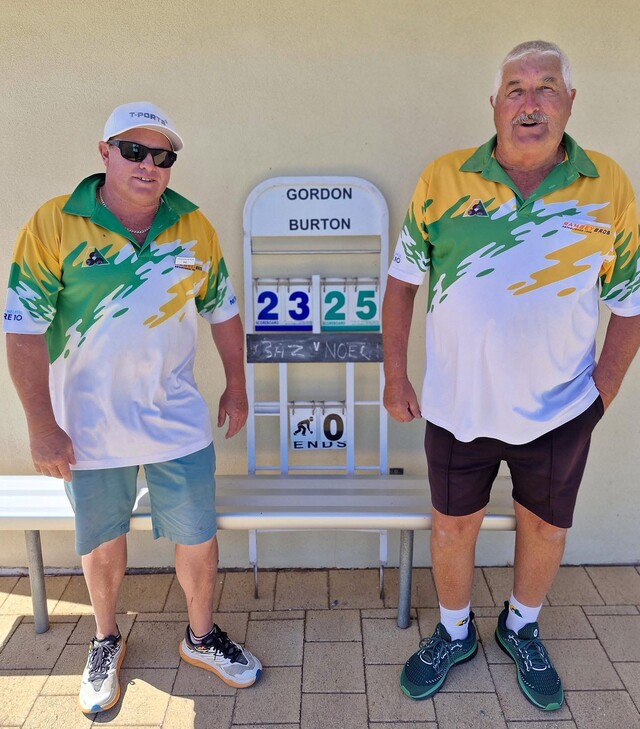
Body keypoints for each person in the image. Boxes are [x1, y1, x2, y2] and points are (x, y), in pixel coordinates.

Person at [382, 41, 640, 711]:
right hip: (457, 406)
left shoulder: (608, 185)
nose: (531, 102)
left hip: (561, 409)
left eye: (546, 87)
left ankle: (521, 626)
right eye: (516, 89)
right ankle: (454, 630)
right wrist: (395, 376)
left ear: (570, 101)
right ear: (494, 104)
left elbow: (631, 301)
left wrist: (602, 394)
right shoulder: (443, 178)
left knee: (546, 528)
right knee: (451, 527)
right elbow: (403, 283)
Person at [4, 101, 262, 714]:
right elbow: (22, 330)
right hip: (87, 428)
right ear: (105, 153)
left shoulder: (193, 225)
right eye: (134, 150)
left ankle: (201, 636)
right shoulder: (54, 223)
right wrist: (41, 425)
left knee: (197, 536)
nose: (149, 164)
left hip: (177, 420)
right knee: (101, 540)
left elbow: (223, 311)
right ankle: (105, 639)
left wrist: (236, 384)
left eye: (162, 156)